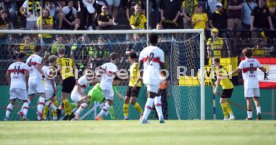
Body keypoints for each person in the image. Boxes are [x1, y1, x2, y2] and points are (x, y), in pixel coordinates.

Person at [227, 48, 267, 120]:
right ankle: (259, 114)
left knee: (248, 100)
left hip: (248, 82)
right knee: (256, 99)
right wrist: (265, 72)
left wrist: (230, 74)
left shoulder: (243, 62)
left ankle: (249, 117)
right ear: (252, 54)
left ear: (244, 54)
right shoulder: (255, 61)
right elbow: (263, 69)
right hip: (255, 82)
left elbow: (238, 70)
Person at [139, 34, 165, 124]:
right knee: (151, 96)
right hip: (154, 76)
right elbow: (162, 66)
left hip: (146, 75)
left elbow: (140, 66)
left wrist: (141, 77)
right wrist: (165, 77)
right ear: (157, 40)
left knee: (157, 94)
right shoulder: (160, 51)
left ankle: (161, 117)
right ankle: (144, 119)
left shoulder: (143, 51)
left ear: (148, 40)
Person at [4, 53, 29, 121]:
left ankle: (6, 117)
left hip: (13, 86)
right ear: (23, 58)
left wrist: (10, 83)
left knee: (12, 102)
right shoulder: (25, 65)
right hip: (21, 86)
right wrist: (26, 84)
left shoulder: (11, 65)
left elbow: (7, 75)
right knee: (25, 101)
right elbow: (26, 75)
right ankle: (24, 116)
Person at [95, 52, 118, 120]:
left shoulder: (106, 64)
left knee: (109, 102)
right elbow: (114, 74)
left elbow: (97, 68)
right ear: (116, 59)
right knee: (110, 102)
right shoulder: (114, 67)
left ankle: (99, 116)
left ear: (110, 58)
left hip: (102, 84)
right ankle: (99, 116)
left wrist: (99, 74)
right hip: (108, 85)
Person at [56, 47, 77, 120]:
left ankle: (70, 113)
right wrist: (76, 79)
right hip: (72, 78)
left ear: (58, 53)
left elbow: (59, 69)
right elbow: (76, 69)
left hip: (66, 78)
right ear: (64, 52)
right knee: (65, 99)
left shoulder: (59, 59)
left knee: (64, 98)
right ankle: (61, 110)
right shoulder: (71, 60)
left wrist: (53, 72)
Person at [26, 45, 46, 121]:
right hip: (36, 78)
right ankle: (39, 111)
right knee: (43, 95)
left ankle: (22, 111)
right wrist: (43, 73)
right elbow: (38, 67)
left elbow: (31, 68)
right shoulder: (38, 57)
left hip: (30, 78)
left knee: (30, 98)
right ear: (40, 50)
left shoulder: (28, 59)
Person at [123, 51, 143, 120]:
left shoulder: (137, 65)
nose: (128, 58)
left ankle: (142, 113)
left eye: (128, 57)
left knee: (132, 101)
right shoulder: (131, 66)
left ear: (130, 58)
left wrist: (136, 83)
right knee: (126, 99)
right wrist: (127, 78)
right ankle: (126, 117)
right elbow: (132, 76)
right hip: (130, 84)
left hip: (136, 85)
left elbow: (140, 76)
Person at [42, 55, 60, 120]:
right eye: (56, 61)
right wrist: (54, 88)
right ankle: (55, 113)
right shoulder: (50, 68)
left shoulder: (43, 67)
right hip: (50, 87)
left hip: (46, 86)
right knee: (50, 101)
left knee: (48, 102)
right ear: (54, 61)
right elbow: (51, 78)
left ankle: (45, 117)